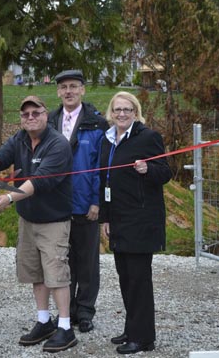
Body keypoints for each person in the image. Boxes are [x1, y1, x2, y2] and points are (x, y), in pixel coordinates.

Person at [0, 95, 77, 353]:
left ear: (46, 114)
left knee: (56, 274)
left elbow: (41, 181)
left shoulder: (58, 144)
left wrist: (7, 199)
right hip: (28, 219)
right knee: (35, 273)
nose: (31, 118)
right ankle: (44, 321)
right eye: (26, 114)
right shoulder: (20, 139)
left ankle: (65, 327)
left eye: (36, 113)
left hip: (54, 220)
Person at [98, 91, 172, 355]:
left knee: (139, 280)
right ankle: (133, 329)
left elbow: (165, 172)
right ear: (111, 112)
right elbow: (104, 179)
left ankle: (143, 338)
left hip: (141, 219)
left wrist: (147, 170)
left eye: (127, 110)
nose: (121, 114)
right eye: (117, 109)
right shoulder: (107, 140)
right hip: (117, 218)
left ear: (135, 112)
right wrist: (104, 217)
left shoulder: (148, 137)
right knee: (126, 278)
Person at [48, 69, 107, 333]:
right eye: (64, 87)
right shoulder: (49, 122)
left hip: (86, 203)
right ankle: (66, 311)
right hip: (58, 205)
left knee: (87, 262)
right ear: (58, 92)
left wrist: (97, 201)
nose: (68, 92)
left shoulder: (96, 124)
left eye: (73, 86)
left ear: (83, 89)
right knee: (61, 260)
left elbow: (101, 167)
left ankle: (85, 311)